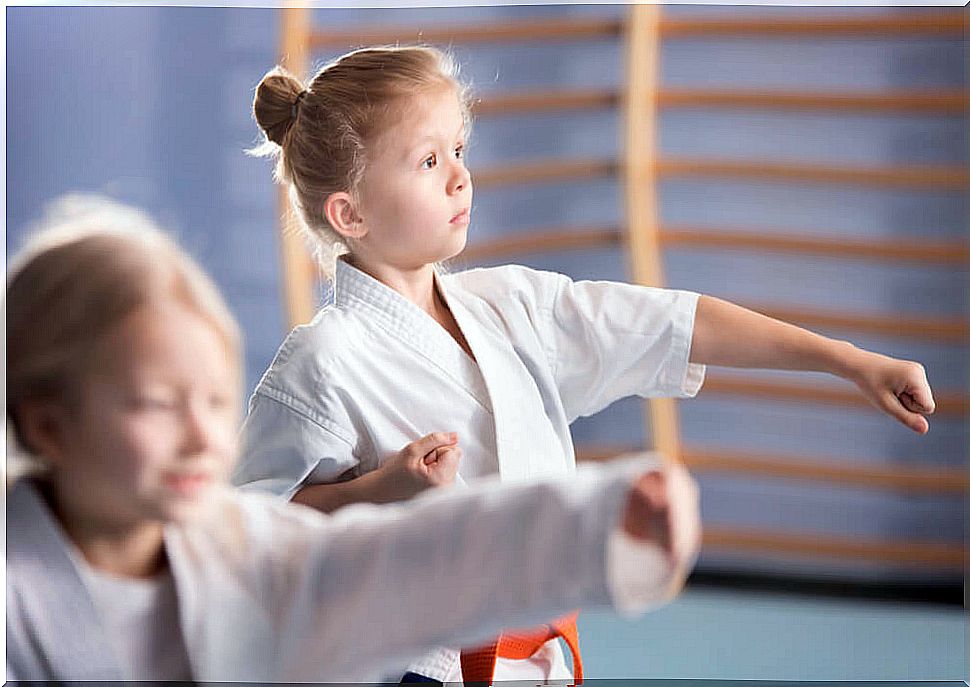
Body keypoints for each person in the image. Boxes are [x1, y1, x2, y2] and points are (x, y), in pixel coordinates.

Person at [233, 45, 936, 684]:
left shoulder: (512, 306)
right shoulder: (324, 361)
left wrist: (847, 361)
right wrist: (379, 489)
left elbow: (676, 323)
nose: (460, 177)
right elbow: (247, 538)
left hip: (547, 657)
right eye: (427, 161)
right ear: (350, 214)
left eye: (458, 148)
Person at [5, 195, 703, 683]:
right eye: (158, 404)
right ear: (47, 423)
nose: (201, 437)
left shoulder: (238, 546)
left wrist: (599, 519)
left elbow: (411, 560)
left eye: (217, 401)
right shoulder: (15, 598)